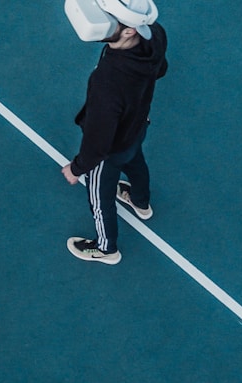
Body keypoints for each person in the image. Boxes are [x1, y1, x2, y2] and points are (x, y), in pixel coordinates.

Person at [62, 0, 168, 265]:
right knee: (136, 162)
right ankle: (141, 203)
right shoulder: (155, 35)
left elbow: (98, 144)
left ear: (130, 30)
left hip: (110, 151)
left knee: (100, 200)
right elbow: (161, 68)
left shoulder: (107, 82)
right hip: (137, 126)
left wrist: (76, 169)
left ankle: (107, 249)